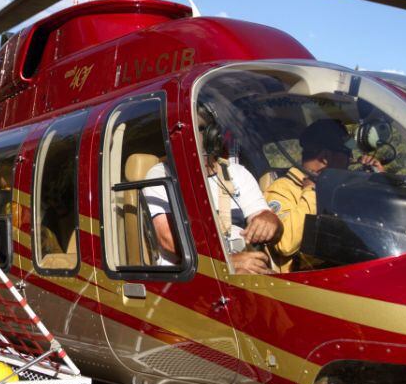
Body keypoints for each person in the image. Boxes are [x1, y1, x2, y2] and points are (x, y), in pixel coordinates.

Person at [144, 108, 281, 274]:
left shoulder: (236, 172)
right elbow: (168, 241)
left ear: (212, 135)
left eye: (200, 129)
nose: (188, 135)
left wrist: (270, 221)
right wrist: (227, 262)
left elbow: (264, 218)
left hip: (245, 265)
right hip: (192, 273)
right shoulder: (161, 175)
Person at [266, 118, 380, 272]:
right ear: (325, 157)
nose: (350, 161)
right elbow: (285, 244)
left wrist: (377, 180)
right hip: (306, 282)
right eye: (347, 154)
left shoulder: (335, 186)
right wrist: (312, 192)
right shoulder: (282, 188)